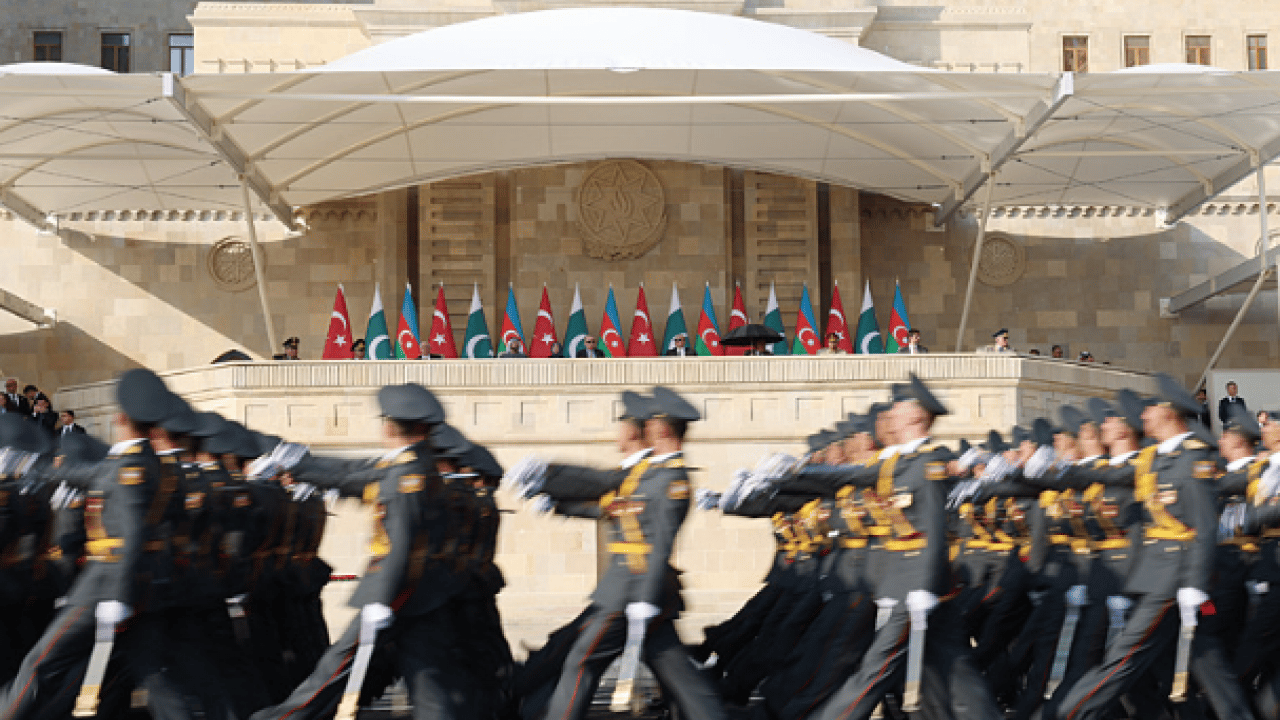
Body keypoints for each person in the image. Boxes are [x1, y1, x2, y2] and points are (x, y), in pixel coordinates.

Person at [507, 387, 727, 720]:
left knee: (582, 661)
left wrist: (644, 597)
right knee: (678, 673)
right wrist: (548, 480)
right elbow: (606, 489)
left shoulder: (672, 481)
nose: (644, 428)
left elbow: (660, 543)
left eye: (650, 424)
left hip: (630, 591)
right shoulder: (650, 473)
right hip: (634, 591)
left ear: (662, 430)